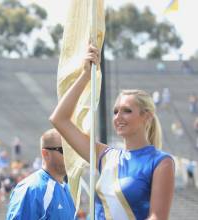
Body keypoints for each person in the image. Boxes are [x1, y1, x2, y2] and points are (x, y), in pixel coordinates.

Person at [50, 44, 175, 220]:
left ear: (146, 116)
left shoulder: (161, 162)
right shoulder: (106, 156)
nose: (118, 117)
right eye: (115, 111)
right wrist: (86, 76)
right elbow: (59, 119)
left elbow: (157, 217)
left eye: (127, 111)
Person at [6, 129, 76, 220]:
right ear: (45, 153)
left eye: (71, 150)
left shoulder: (68, 189)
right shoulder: (32, 189)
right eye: (63, 150)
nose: (69, 155)